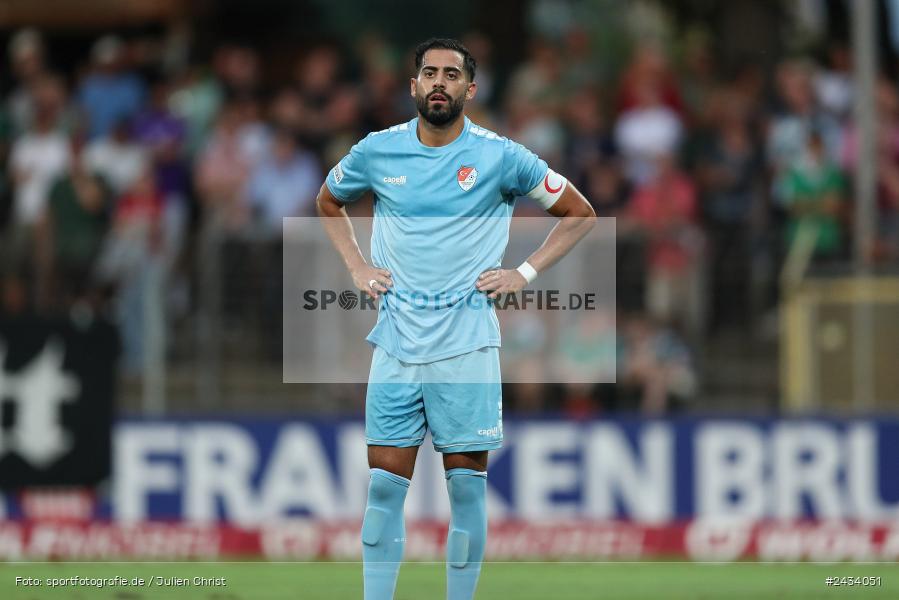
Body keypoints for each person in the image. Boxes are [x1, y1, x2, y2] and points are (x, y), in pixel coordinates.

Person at [316, 38, 596, 600]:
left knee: (466, 492)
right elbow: (328, 200)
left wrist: (523, 273)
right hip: (396, 344)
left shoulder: (502, 156)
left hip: (467, 347)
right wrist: (356, 265)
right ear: (413, 85)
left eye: (451, 74)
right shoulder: (377, 151)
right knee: (383, 491)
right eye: (429, 73)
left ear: (470, 88)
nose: (439, 82)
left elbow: (579, 213)